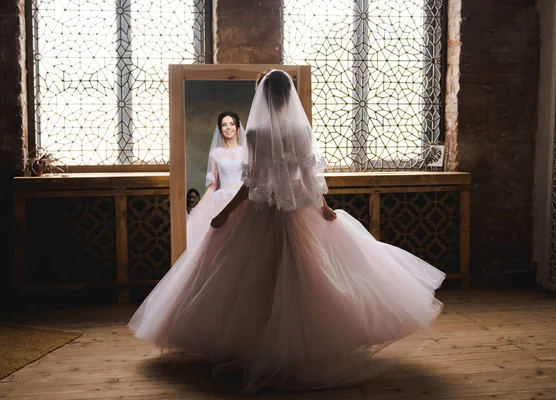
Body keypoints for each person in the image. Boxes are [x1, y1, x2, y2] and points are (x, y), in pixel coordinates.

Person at [129, 69, 446, 393]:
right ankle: (304, 344)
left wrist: (224, 214)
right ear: (287, 96)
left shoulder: (256, 133)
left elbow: (250, 184)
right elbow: (309, 177)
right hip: (297, 212)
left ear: (263, 96)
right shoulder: (299, 129)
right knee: (307, 275)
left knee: (252, 279)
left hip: (261, 212)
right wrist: (323, 209)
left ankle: (251, 344)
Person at [185, 111, 247, 248]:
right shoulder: (215, 154)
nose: (228, 127)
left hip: (243, 198)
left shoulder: (246, 151)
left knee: (244, 240)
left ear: (237, 129)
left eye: (232, 124)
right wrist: (199, 207)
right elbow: (212, 186)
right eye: (224, 125)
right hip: (222, 201)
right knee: (224, 242)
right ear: (220, 130)